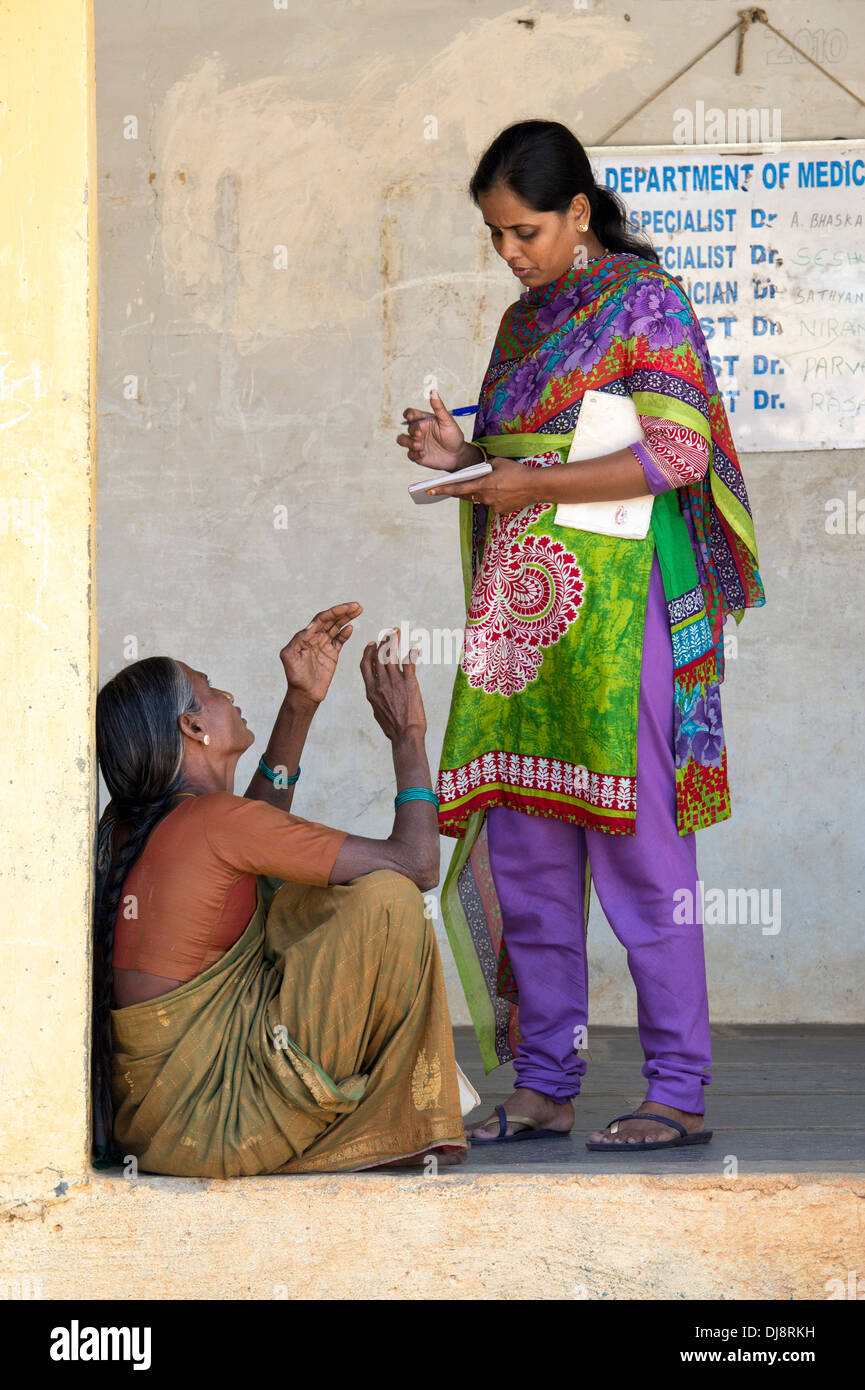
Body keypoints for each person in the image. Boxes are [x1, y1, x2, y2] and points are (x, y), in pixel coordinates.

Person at [396, 120, 764, 1151]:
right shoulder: (523, 324)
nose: (509, 251)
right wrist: (462, 451)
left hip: (624, 609)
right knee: (525, 850)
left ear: (578, 213)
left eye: (522, 229)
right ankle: (545, 1080)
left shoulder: (647, 302)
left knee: (644, 855)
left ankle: (677, 1090)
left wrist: (527, 481)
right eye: (494, 235)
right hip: (524, 619)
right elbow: (517, 457)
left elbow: (677, 452)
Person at [93, 602, 468, 1176]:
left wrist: (300, 702)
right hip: (218, 1124)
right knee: (386, 901)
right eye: (210, 689)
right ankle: (386, 1115)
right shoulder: (215, 821)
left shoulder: (140, 826)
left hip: (157, 1128)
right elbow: (417, 863)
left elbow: (251, 847)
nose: (227, 693)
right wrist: (408, 736)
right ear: (192, 728)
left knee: (292, 894)